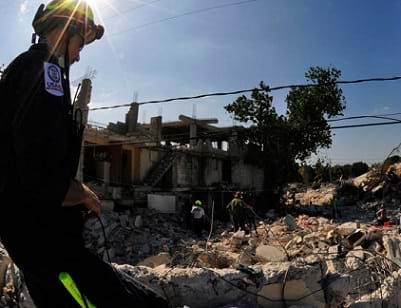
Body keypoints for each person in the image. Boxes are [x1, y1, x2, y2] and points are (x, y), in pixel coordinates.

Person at [0, 1, 168, 307]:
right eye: (80, 43)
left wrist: (76, 192)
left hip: (35, 233)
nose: (78, 56)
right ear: (67, 31)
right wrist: (80, 195)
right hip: (40, 236)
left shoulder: (29, 69)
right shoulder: (44, 72)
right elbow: (41, 175)